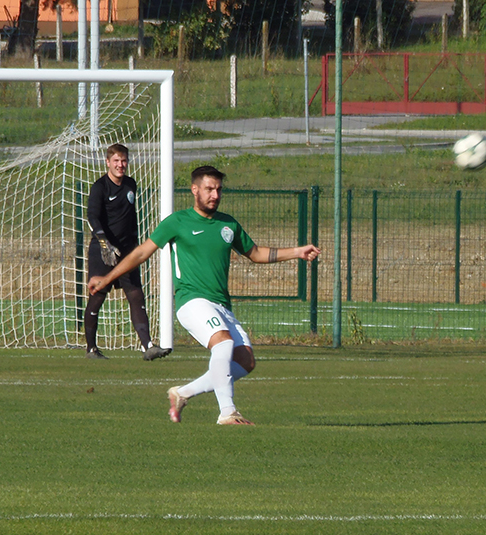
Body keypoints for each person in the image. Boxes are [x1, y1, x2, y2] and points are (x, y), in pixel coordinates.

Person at [88, 165, 321, 424]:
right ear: (195, 190)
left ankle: (183, 393)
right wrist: (107, 278)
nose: (215, 195)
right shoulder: (178, 221)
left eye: (219, 189)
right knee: (223, 344)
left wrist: (297, 252)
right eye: (209, 189)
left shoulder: (228, 224)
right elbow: (142, 252)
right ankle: (228, 413)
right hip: (192, 301)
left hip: (221, 305)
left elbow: (255, 254)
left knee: (245, 361)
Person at [84, 143, 171, 361]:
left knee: (135, 294)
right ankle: (91, 349)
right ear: (107, 162)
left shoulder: (131, 184)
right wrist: (104, 241)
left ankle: (148, 346)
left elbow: (129, 218)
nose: (120, 165)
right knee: (97, 295)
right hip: (103, 250)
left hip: (127, 251)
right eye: (116, 161)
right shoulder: (100, 187)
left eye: (123, 161)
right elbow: (92, 217)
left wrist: (133, 245)